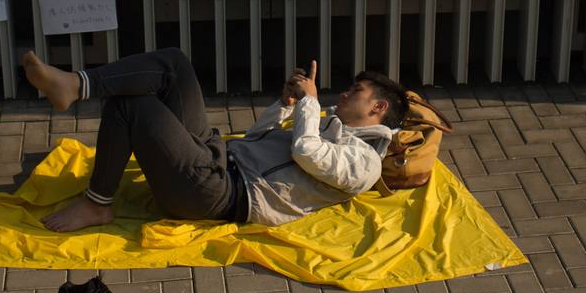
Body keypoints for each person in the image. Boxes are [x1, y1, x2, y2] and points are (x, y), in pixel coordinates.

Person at [21, 47, 407, 232]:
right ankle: (75, 84)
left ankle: (97, 204)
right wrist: (286, 104)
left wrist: (309, 103)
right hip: (218, 158)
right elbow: (256, 139)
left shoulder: (365, 163)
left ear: (378, 110)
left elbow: (306, 152)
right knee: (174, 64)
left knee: (132, 107)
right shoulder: (331, 125)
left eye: (355, 91)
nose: (342, 94)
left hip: (219, 192)